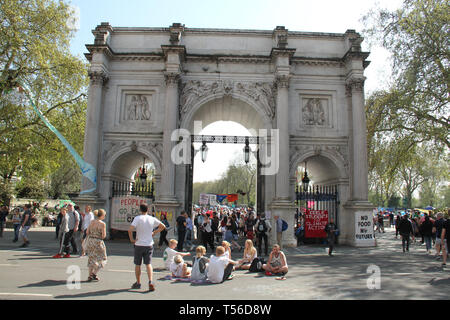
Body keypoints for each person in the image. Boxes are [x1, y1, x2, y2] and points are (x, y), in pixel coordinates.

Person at [128, 204, 166, 292]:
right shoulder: (151, 218)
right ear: (147, 210)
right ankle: (150, 281)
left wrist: (132, 239)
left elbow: (130, 230)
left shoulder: (138, 218)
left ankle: (138, 282)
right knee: (148, 264)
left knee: (138, 264)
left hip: (139, 244)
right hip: (149, 244)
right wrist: (154, 232)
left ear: (140, 210)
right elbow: (163, 226)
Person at [84, 209, 107, 281]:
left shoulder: (92, 222)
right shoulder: (102, 224)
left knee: (91, 258)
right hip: (98, 241)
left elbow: (87, 232)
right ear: (102, 215)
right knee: (102, 258)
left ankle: (90, 275)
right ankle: (94, 273)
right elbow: (103, 236)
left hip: (91, 240)